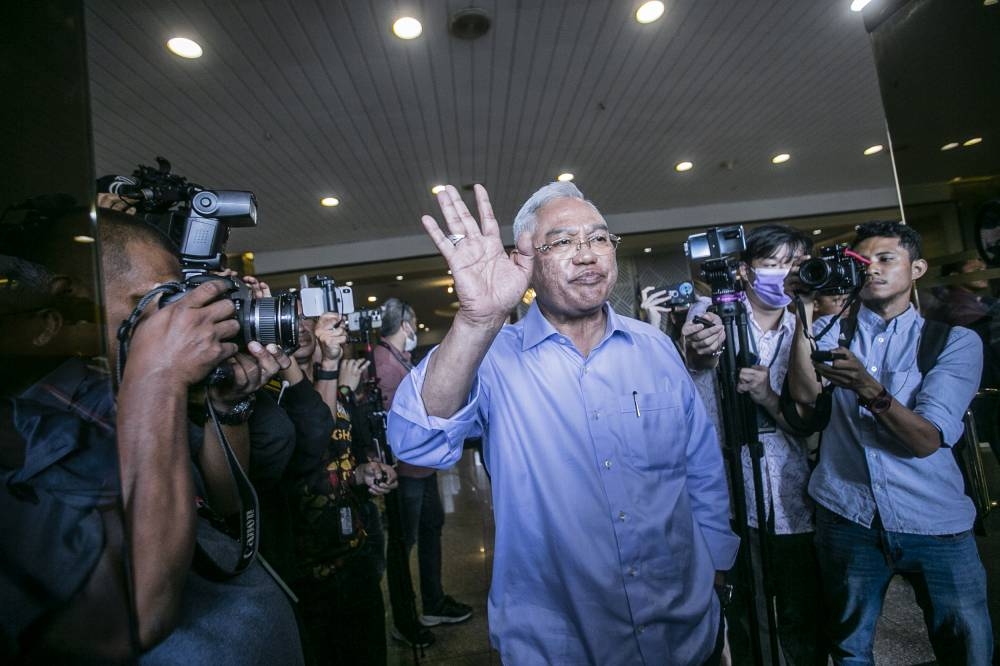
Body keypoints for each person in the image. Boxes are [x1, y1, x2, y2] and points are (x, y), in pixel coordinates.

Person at [388, 182, 739, 664]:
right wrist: (476, 322)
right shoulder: (492, 358)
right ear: (526, 258)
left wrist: (716, 570)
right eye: (563, 242)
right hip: (561, 644)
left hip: (683, 633)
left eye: (598, 238)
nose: (587, 255)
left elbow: (699, 467)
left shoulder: (654, 347)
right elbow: (416, 443)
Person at [2, 209, 303, 662]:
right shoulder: (21, 429)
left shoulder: (113, 389)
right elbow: (127, 618)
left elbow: (222, 507)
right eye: (158, 302)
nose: (180, 320)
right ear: (72, 299)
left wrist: (229, 406)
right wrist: (159, 375)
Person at [786, 220, 992, 664]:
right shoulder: (828, 332)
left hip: (933, 519)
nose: (873, 270)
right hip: (847, 513)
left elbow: (925, 440)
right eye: (864, 262)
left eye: (886, 259)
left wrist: (867, 387)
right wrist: (803, 312)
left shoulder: (951, 342)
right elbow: (804, 397)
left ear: (917, 268)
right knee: (848, 647)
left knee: (966, 647)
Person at [680, 224, 826, 665]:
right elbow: (697, 350)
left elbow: (811, 409)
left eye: (795, 266)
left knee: (804, 618)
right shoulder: (713, 311)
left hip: (795, 496)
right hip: (729, 498)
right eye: (773, 265)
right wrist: (702, 349)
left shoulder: (810, 321)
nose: (784, 275)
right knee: (744, 617)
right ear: (745, 271)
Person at [376, 297, 472, 638]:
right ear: (405, 325)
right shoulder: (384, 363)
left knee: (431, 529)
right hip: (404, 474)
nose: (414, 328)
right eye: (413, 322)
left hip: (422, 470)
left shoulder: (401, 360)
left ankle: (434, 603)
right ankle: (406, 620)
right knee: (404, 544)